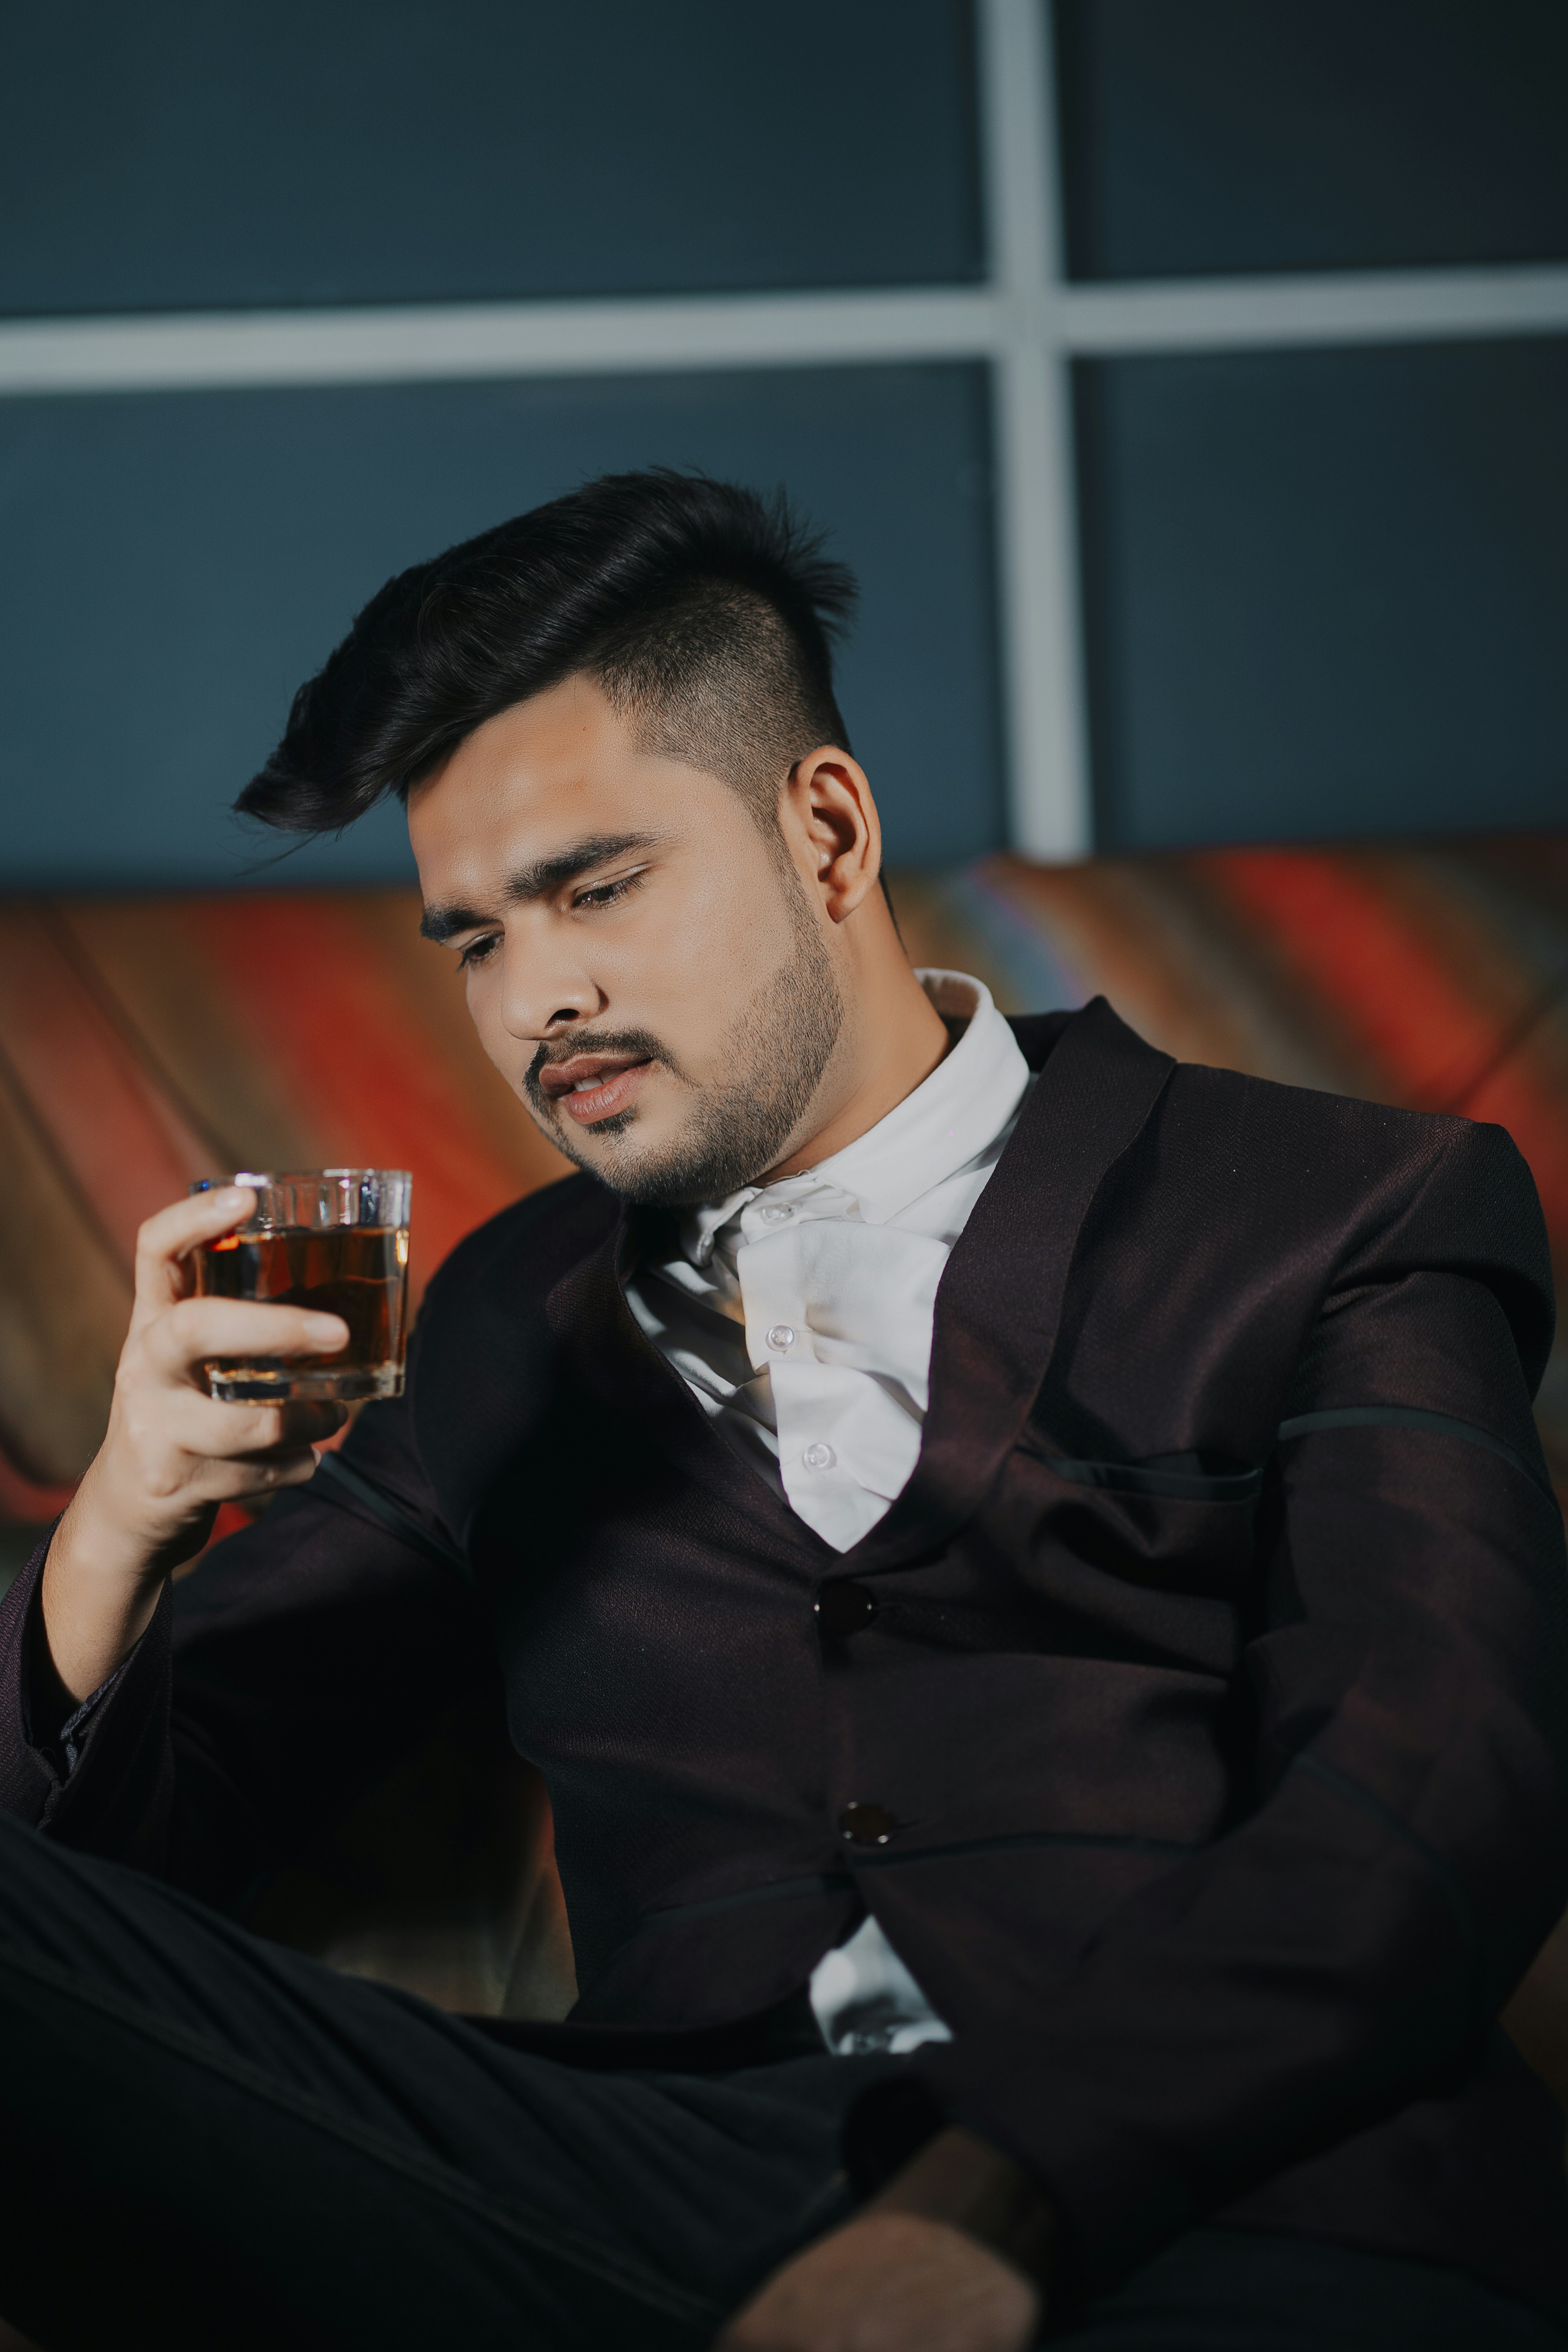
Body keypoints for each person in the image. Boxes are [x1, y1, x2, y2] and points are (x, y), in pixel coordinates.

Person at [1, 470, 1565, 2352]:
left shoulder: (1342, 1209)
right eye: (476, 938)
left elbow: (1430, 1794)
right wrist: (123, 1525)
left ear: (824, 830)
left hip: (1243, 2202)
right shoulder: (502, 1314)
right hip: (635, 2196)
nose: (535, 1000)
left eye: (596, 887)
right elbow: (126, 1896)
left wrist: (996, 2210)